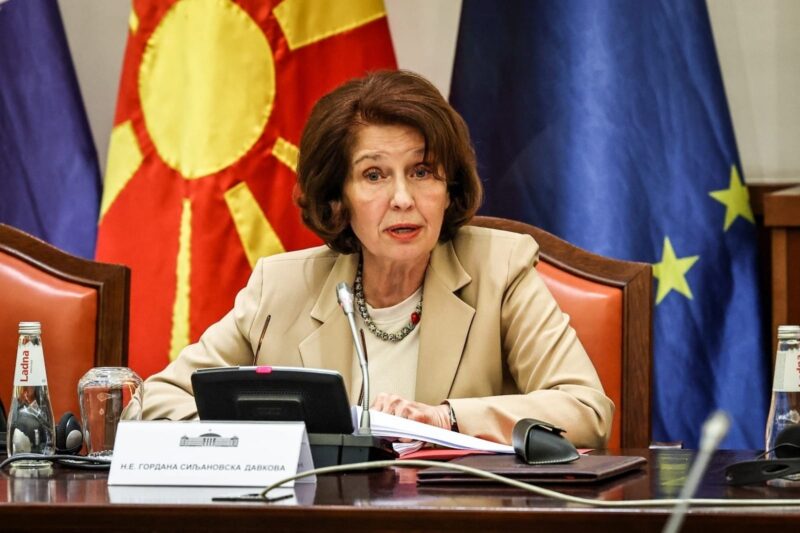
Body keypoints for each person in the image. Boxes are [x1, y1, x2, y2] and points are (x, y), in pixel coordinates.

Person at [140, 70, 613, 448]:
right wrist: (272, 443)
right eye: (374, 175)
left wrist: (446, 418)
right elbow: (155, 401)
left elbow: (586, 411)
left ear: (448, 189)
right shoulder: (282, 288)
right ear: (337, 200)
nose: (403, 198)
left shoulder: (500, 270)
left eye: (422, 171)